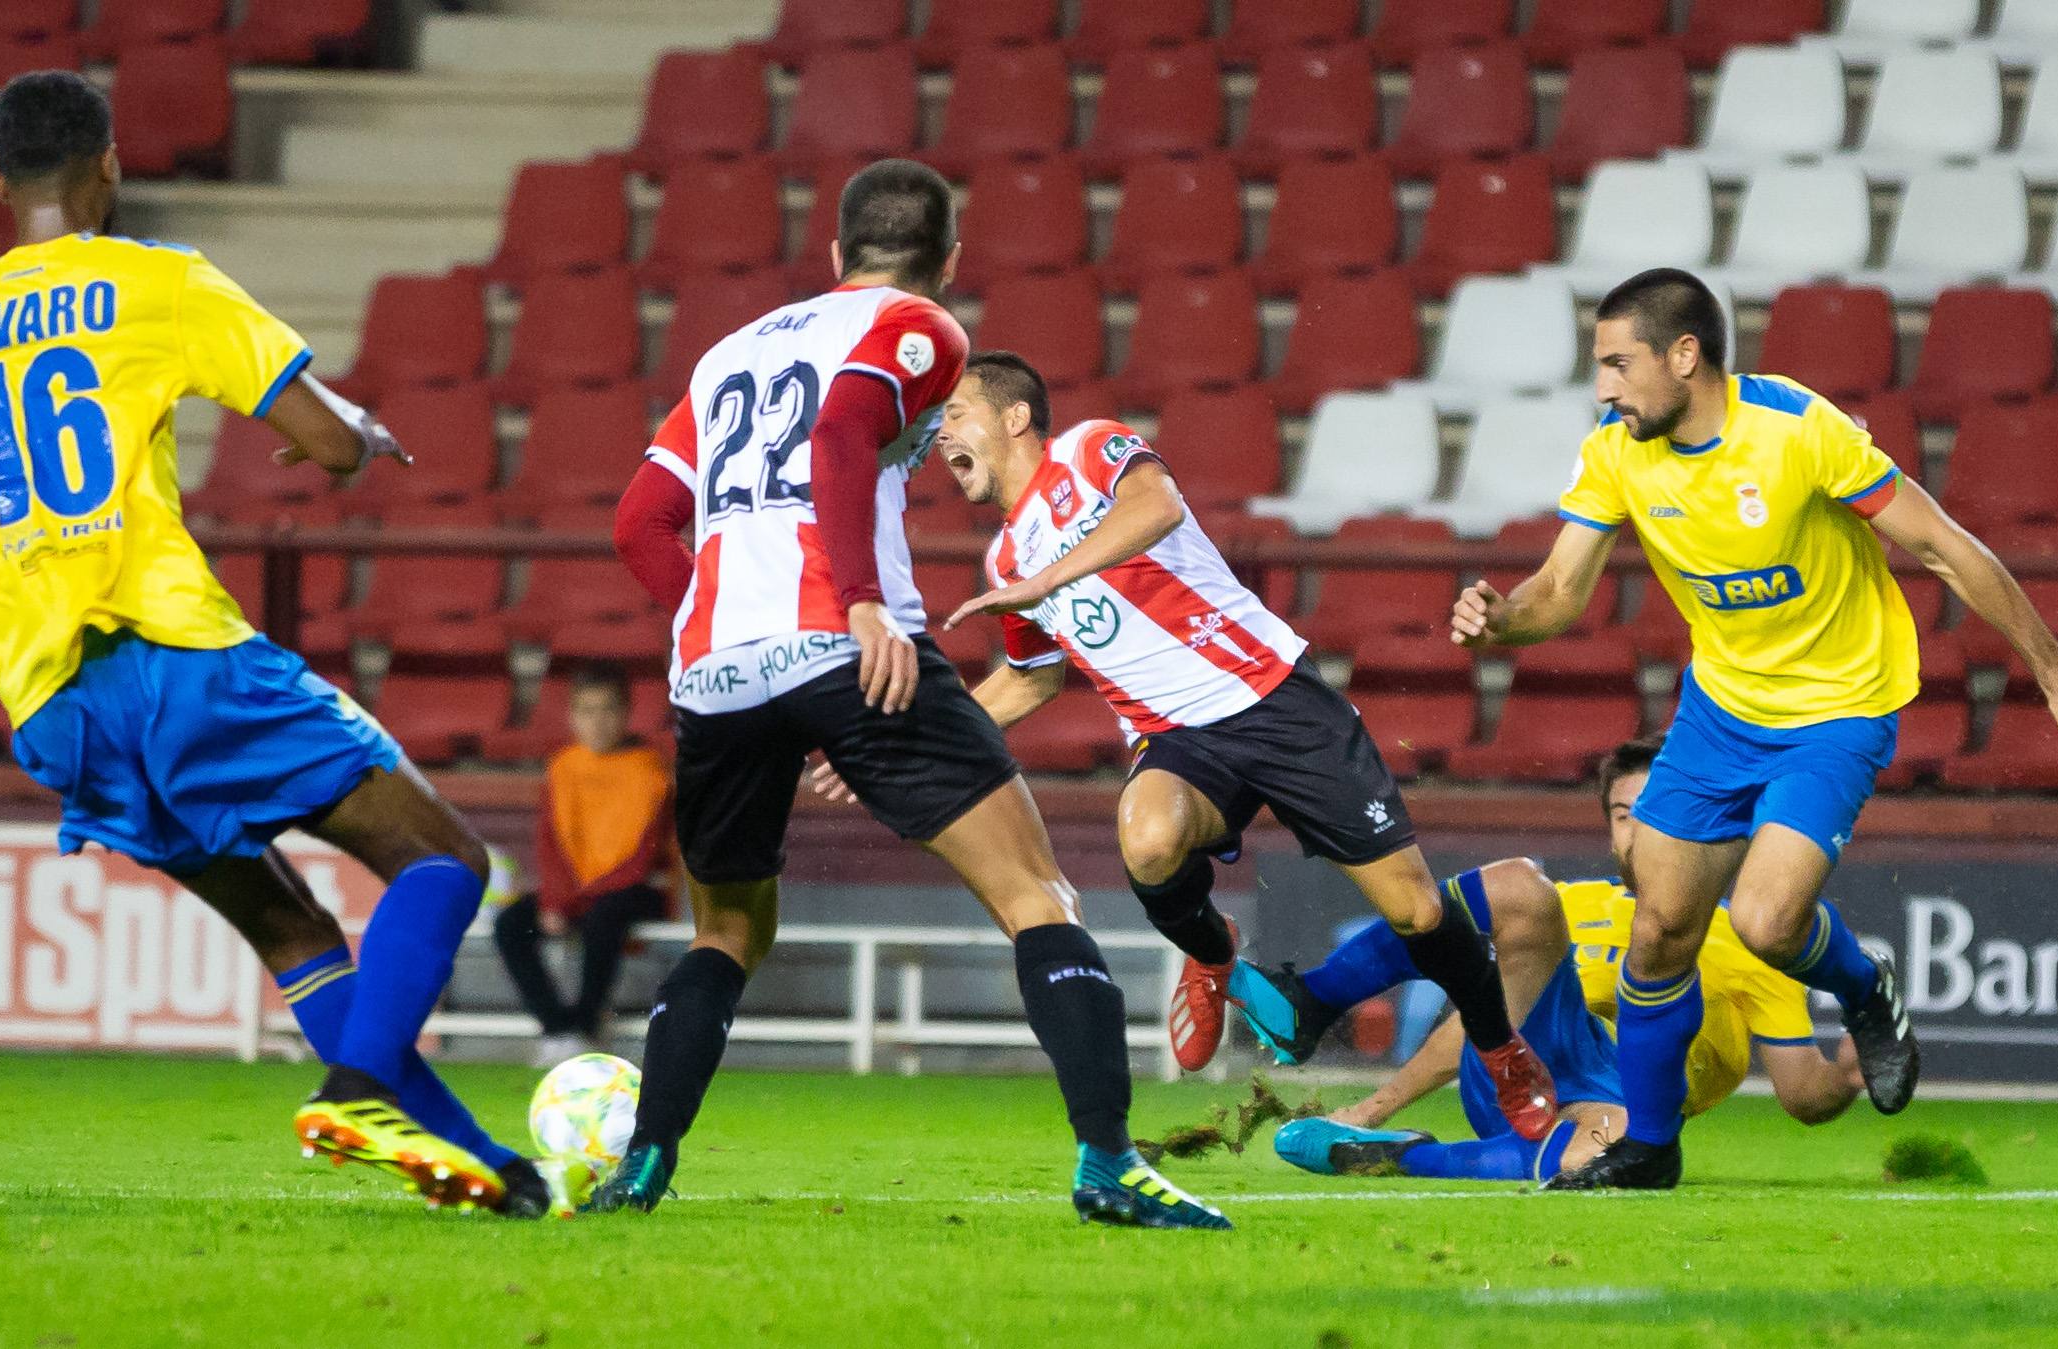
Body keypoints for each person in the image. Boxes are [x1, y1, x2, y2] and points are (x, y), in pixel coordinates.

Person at [0, 71, 548, 1217]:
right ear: (112, 165)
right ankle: (362, 1083)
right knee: (445, 862)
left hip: (56, 710)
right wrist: (359, 435)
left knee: (291, 926)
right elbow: (325, 445)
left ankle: (497, 1177)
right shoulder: (158, 283)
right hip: (176, 653)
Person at [604, 158, 1228, 1228]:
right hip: (849, 642)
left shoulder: (726, 356)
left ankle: (643, 1164)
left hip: (713, 673)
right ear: (949, 258)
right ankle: (1109, 1162)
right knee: (1037, 895)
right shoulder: (924, 326)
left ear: (833, 253)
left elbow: (637, 525)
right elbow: (842, 433)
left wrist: (727, 629)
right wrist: (854, 606)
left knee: (725, 934)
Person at [1450, 268, 2058, 1189]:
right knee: (1660, 928)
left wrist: (2053, 671)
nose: (1604, 388)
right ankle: (1649, 1149)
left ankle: (1864, 989)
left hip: (1838, 707)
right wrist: (1503, 618)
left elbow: (1943, 545)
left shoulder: (1797, 429)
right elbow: (1556, 591)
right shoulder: (1616, 451)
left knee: (1763, 921)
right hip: (1720, 711)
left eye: (1618, 364)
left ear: (1684, 354)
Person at [826, 350, 1556, 1139]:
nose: (941, 436)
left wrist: (1047, 581)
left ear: (1013, 417)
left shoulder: (1088, 448)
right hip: (1176, 736)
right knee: (1146, 838)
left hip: (1276, 698)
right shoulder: (1004, 557)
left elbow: (1158, 507)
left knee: (1416, 910)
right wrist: (900, 744)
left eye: (956, 414)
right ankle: (1213, 954)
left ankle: (1500, 1047)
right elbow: (1029, 681)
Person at [1247, 738, 1864, 1182]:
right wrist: (1371, 1105)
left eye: (1662, 814)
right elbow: (1485, 1010)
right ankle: (1315, 1001)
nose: (1642, 831)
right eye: (1626, 815)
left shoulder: (1745, 937)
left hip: (1615, 1110)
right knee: (1519, 885)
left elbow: (1803, 1093)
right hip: (1512, 1074)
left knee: (1621, 1147)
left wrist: (1847, 1075)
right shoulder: (1571, 905)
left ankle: (1398, 1155)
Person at [493, 667, 676, 1065]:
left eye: (608, 710)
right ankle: (559, 1029)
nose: (597, 722)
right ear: (572, 717)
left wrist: (575, 900)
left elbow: (641, 858)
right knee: (510, 925)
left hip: (634, 890)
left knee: (604, 918)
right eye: (587, 711)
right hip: (573, 891)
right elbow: (550, 841)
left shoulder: (650, 770)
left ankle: (587, 1023)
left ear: (627, 713)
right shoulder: (563, 766)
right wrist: (556, 901)